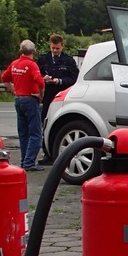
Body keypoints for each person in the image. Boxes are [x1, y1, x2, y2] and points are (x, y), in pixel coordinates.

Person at [1, 40, 46, 171]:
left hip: (19, 99)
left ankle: (24, 160)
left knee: (23, 133)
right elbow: (41, 82)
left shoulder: (14, 64)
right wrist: (40, 95)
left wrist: (14, 91)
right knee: (36, 133)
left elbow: (4, 78)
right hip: (30, 99)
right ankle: (29, 162)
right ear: (34, 51)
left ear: (21, 51)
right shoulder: (32, 65)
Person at [37, 34, 79, 163]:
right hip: (48, 95)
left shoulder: (68, 61)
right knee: (45, 123)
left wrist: (59, 81)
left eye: (57, 48)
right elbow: (36, 75)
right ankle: (47, 153)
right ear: (50, 45)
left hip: (62, 95)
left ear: (62, 46)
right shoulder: (43, 59)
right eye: (53, 48)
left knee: (61, 123)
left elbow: (74, 78)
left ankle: (61, 151)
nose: (55, 51)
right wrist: (43, 79)